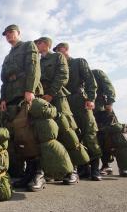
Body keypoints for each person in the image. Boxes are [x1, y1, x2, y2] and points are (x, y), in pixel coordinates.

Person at [34, 37, 89, 184]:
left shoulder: (57, 56)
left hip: (57, 98)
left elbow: (63, 76)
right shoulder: (38, 62)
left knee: (66, 132)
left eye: (38, 43)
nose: (36, 46)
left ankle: (73, 171)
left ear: (46, 44)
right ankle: (53, 170)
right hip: (43, 100)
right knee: (47, 134)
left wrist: (51, 94)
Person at [0, 24, 45, 191]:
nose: (8, 35)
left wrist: (30, 89)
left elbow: (34, 67)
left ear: (18, 33)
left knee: (31, 134)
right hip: (11, 97)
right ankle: (28, 172)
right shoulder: (7, 56)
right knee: (19, 136)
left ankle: (39, 173)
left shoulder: (28, 46)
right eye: (6, 34)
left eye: (11, 32)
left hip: (26, 93)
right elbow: (4, 80)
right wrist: (3, 98)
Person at [53, 43, 102, 181]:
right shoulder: (58, 67)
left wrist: (91, 98)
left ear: (65, 49)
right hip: (65, 103)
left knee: (89, 134)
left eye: (59, 50)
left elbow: (90, 81)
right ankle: (81, 168)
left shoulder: (78, 62)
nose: (57, 53)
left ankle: (95, 169)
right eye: (55, 51)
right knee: (72, 136)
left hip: (81, 100)